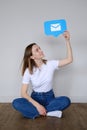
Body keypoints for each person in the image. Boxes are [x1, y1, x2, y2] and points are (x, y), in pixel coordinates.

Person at [12, 31, 73, 119]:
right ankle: (48, 112)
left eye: (40, 48)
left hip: (50, 98)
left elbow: (69, 60)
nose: (41, 50)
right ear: (32, 57)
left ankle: (39, 112)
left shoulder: (50, 64)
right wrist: (37, 105)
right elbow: (23, 93)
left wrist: (67, 41)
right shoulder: (28, 71)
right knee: (16, 103)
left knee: (66, 100)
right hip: (35, 98)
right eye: (37, 50)